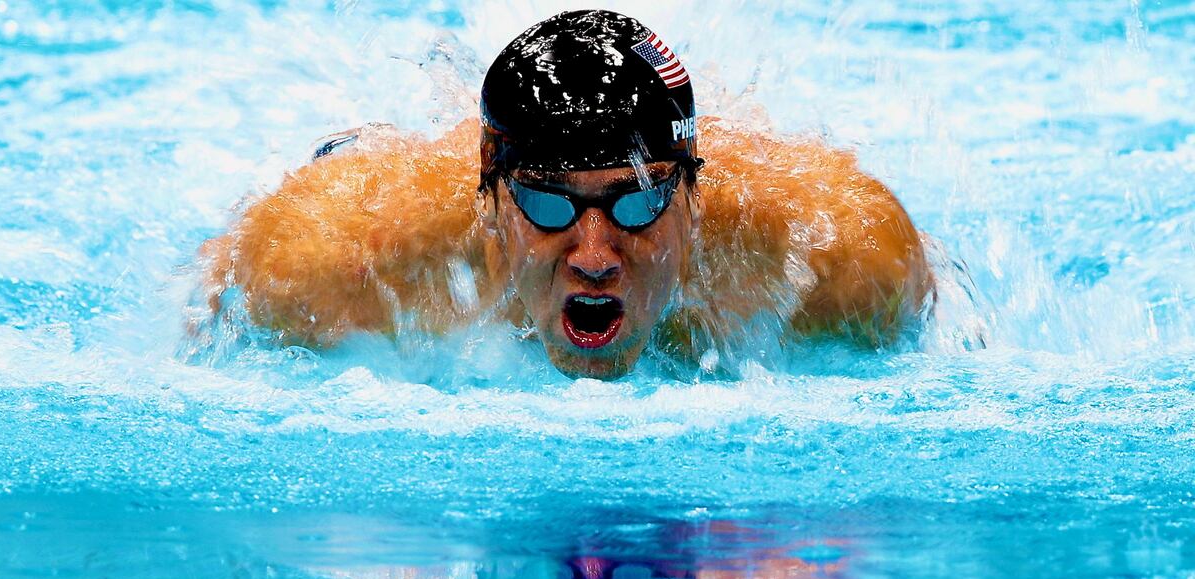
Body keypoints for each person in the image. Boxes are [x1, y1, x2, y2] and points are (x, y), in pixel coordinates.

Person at [199, 10, 934, 379]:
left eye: (638, 203)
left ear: (694, 198)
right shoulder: (341, 269)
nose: (594, 255)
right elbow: (214, 297)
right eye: (549, 207)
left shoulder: (833, 262)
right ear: (488, 206)